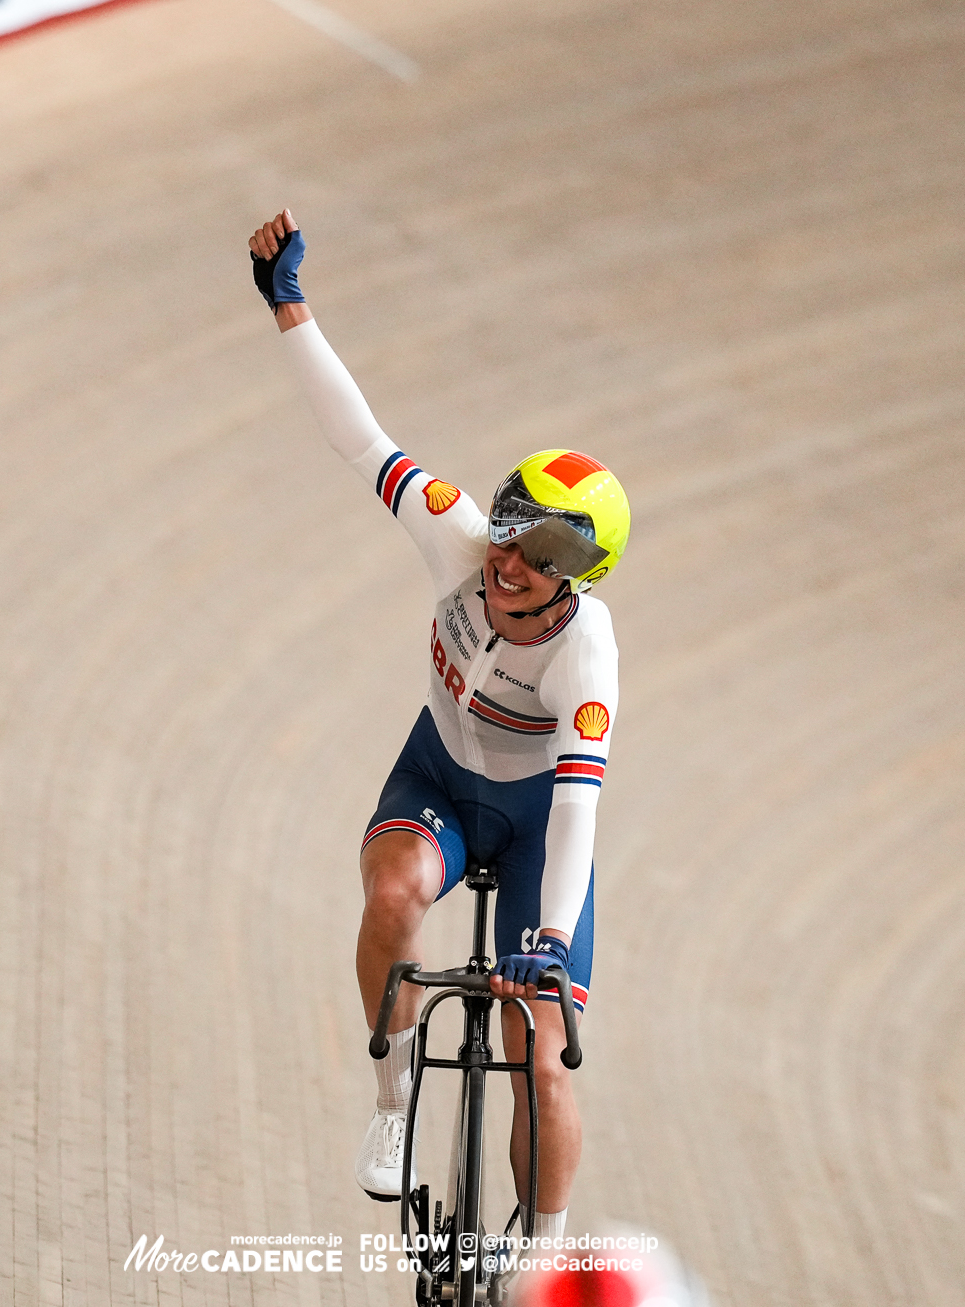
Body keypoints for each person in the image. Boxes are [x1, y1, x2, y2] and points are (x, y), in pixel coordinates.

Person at [248, 210, 628, 1247]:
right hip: (440, 779)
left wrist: (549, 936)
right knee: (391, 893)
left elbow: (580, 806)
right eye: (505, 537)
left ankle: (541, 1254)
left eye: (534, 559)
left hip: (535, 821)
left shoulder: (587, 655)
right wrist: (290, 307)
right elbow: (361, 436)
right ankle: (391, 1102)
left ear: (574, 582)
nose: (504, 565)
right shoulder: (456, 535)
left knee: (540, 1051)